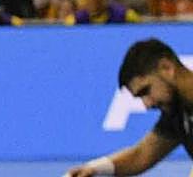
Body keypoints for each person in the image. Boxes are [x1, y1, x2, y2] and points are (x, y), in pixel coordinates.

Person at [64, 39, 193, 176]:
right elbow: (141, 155)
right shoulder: (178, 111)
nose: (147, 104)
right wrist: (94, 168)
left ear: (166, 67)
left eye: (146, 91)